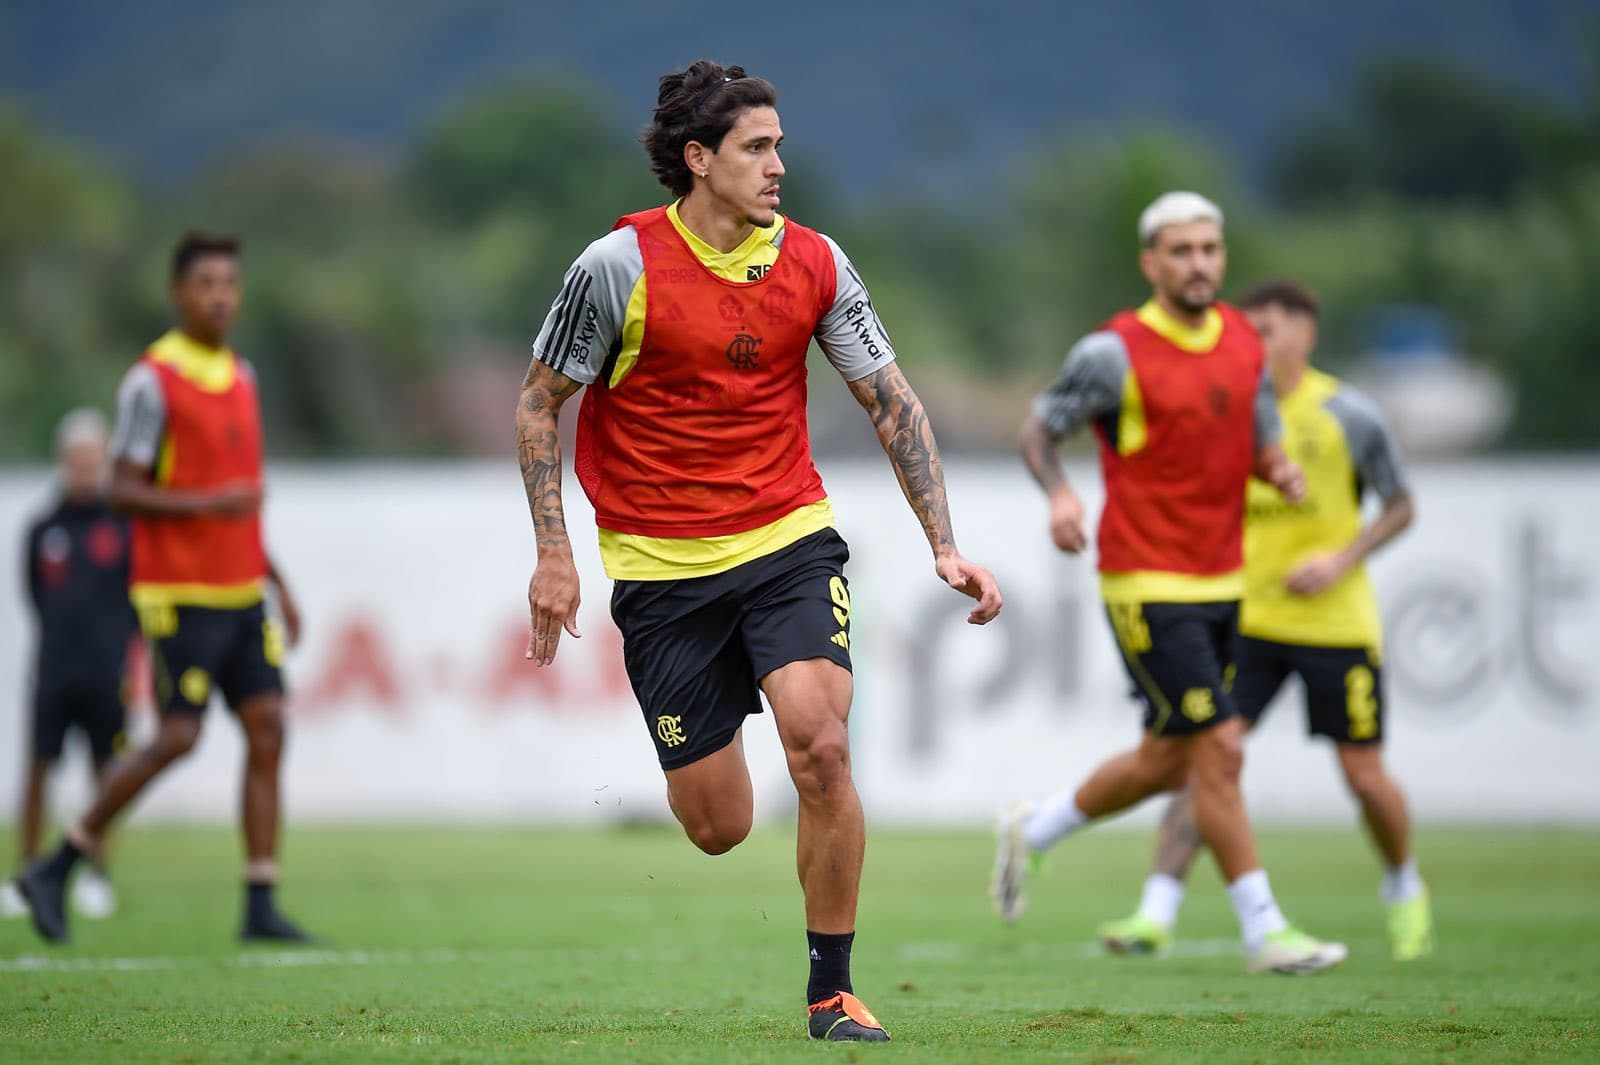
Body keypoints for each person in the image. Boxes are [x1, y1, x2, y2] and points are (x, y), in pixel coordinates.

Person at [516, 60, 1002, 1042]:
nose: (778, 164)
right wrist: (554, 555)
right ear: (698, 160)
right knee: (716, 826)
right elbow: (537, 407)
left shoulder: (818, 263)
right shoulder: (615, 269)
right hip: (661, 571)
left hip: (788, 543)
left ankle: (831, 990)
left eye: (778, 145)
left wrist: (944, 545)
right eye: (756, 147)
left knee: (822, 749)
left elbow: (892, 402)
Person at [993, 192, 1347, 974]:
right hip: (1145, 578)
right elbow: (1038, 429)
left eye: (1209, 249)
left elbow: (1259, 442)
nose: (1198, 264)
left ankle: (1035, 828)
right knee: (1220, 746)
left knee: (1169, 759)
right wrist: (1059, 492)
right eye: (1180, 251)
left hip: (1224, 578)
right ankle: (1266, 930)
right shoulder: (1112, 352)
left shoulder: (1245, 346)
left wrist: (1280, 467)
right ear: (1151, 262)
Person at [1096, 279, 1433, 962]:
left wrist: (1342, 558)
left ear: (1306, 333)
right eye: (1247, 329)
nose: (1253, 341)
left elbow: (1401, 505)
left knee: (1364, 775)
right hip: (1245, 619)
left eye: (1269, 328)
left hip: (1335, 623)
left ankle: (1403, 883)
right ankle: (1155, 911)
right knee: (1205, 758)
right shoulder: (1223, 410)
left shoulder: (1350, 414)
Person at [18, 232, 313, 945]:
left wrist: (278, 581)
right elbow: (122, 487)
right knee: (178, 736)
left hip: (242, 590)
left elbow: (242, 502)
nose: (220, 295)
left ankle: (260, 902)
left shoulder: (240, 375)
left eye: (229, 284)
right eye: (206, 283)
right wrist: (208, 505)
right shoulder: (153, 379)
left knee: (268, 725)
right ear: (179, 292)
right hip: (179, 591)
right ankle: (60, 861)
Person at [1, 410, 136, 923]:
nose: (85, 469)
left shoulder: (121, 525)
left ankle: (96, 873)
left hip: (108, 671)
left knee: (106, 772)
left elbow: (133, 598)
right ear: (63, 462)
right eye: (77, 460)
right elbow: (33, 594)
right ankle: (28, 873)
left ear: (103, 462)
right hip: (53, 669)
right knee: (39, 770)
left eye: (93, 460)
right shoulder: (43, 527)